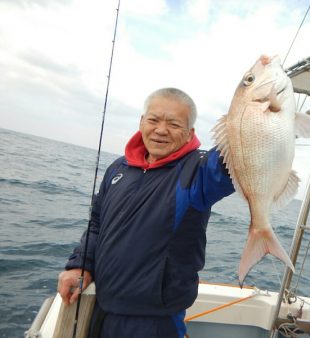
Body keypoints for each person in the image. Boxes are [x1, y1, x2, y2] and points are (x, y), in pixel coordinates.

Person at [57, 87, 235, 338]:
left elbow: (236, 155)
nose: (161, 130)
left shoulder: (200, 171)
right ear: (142, 122)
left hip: (155, 323)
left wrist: (260, 110)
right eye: (153, 120)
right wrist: (81, 265)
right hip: (103, 310)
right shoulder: (118, 168)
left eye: (174, 124)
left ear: (190, 133)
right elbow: (97, 223)